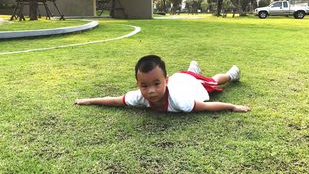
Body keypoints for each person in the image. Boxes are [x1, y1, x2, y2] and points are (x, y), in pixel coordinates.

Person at [75, 55, 251, 113]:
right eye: (144, 86)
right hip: (179, 78)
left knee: (212, 80)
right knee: (191, 74)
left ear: (165, 81)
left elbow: (206, 107)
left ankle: (231, 74)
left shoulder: (180, 101)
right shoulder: (139, 96)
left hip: (189, 85)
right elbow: (115, 100)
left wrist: (232, 106)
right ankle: (192, 68)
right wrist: (89, 100)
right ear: (138, 84)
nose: (151, 91)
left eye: (156, 84)